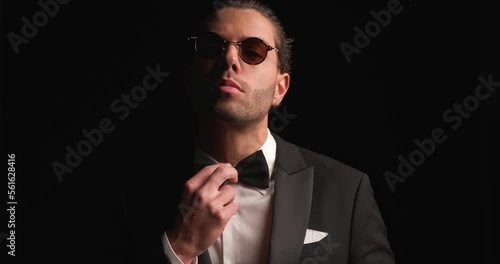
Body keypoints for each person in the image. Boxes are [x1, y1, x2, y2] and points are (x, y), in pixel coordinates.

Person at [120, 0, 396, 263]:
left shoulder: (347, 189)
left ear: (280, 88)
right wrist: (180, 247)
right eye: (212, 46)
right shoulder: (133, 188)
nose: (229, 58)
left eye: (253, 51)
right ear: (190, 78)